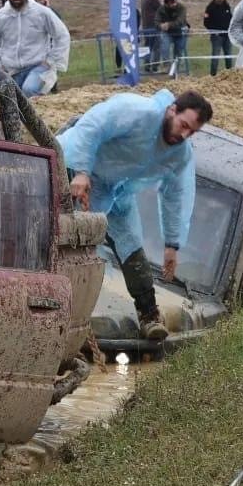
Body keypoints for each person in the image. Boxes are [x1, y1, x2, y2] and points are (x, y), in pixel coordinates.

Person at [59, 89, 214, 341]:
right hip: (72, 166)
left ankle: (149, 316)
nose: (183, 135)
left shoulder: (179, 154)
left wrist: (172, 245)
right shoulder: (136, 111)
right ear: (172, 110)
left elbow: (175, 195)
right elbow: (92, 126)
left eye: (192, 132)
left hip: (114, 189)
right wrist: (81, 170)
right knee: (67, 239)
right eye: (183, 125)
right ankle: (54, 307)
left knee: (131, 242)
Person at [0, 0, 70, 97]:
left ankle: (35, 114)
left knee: (29, 89)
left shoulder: (41, 13)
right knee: (10, 99)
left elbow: (62, 35)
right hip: (11, 70)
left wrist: (51, 61)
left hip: (38, 66)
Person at [202, 0, 233, 76]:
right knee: (215, 57)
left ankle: (230, 75)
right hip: (217, 37)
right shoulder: (210, 7)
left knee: (229, 56)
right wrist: (214, 31)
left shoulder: (226, 5)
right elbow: (206, 23)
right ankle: (213, 75)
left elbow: (231, 17)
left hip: (227, 35)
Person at [157, 0, 189, 70]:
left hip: (180, 32)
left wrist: (168, 24)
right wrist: (160, 25)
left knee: (178, 52)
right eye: (172, 3)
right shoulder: (161, 9)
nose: (175, 4)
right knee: (165, 47)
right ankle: (166, 64)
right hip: (167, 33)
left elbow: (180, 21)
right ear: (167, 4)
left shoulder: (181, 7)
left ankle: (175, 70)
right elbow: (156, 21)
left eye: (175, 2)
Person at [139, 0, 162, 70]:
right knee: (156, 47)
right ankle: (155, 66)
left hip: (145, 26)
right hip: (153, 26)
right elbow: (161, 10)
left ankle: (147, 65)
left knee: (147, 46)